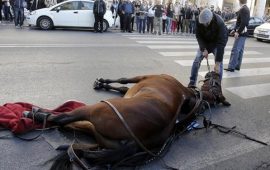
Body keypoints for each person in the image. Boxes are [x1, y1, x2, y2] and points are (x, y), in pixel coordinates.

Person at [188, 8, 228, 87]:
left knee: (219, 65)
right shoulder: (199, 20)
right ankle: (192, 83)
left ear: (211, 19)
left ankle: (217, 86)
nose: (203, 25)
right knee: (197, 60)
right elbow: (198, 36)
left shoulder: (219, 22)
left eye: (205, 23)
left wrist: (217, 62)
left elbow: (221, 43)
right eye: (202, 23)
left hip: (217, 44)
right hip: (205, 43)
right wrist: (203, 49)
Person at [224, 0, 250, 72]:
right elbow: (240, 22)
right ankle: (237, 66)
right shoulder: (245, 8)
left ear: (239, 1)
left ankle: (232, 67)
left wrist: (238, 32)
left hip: (241, 33)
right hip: (243, 33)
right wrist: (235, 30)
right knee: (240, 50)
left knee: (235, 50)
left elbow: (243, 22)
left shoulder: (243, 9)